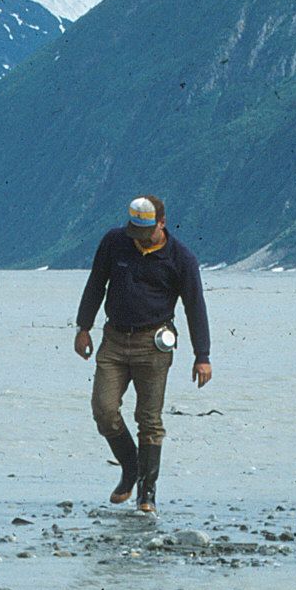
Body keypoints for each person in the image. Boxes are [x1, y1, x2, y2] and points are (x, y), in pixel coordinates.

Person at [74, 194, 211, 514]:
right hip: (114, 340)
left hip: (154, 343)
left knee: (149, 420)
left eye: (144, 231)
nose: (136, 238)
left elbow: (195, 307)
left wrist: (202, 355)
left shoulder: (182, 258)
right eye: (132, 230)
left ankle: (146, 493)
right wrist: (83, 327)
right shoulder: (114, 242)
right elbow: (96, 283)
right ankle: (131, 466)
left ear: (161, 223)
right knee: (104, 410)